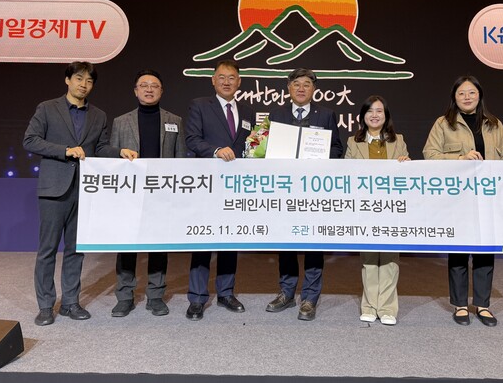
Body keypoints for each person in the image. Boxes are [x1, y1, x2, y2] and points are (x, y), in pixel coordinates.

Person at [422, 75, 503, 327]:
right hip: (458, 198)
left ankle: (482, 305)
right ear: (454, 97)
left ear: (479, 95)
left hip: (488, 198)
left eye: (471, 92)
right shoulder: (443, 123)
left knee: (485, 251)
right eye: (461, 93)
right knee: (459, 252)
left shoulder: (494, 124)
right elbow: (430, 154)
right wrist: (460, 158)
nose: (467, 97)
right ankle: (460, 305)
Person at [23, 61, 138, 326]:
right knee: (48, 250)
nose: (83, 85)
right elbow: (30, 140)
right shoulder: (47, 108)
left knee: (76, 250)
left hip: (85, 190)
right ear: (67, 80)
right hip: (54, 189)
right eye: (78, 78)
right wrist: (64, 151)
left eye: (89, 81)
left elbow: (101, 147)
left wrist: (119, 152)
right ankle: (45, 306)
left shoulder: (98, 115)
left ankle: (70, 302)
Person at [265, 68, 343, 321]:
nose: (301, 88)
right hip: (285, 189)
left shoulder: (327, 114)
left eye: (306, 84)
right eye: (296, 84)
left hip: (314, 190)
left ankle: (310, 297)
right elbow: (266, 148)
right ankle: (286, 292)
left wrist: (320, 159)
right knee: (286, 241)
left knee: (313, 243)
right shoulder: (276, 115)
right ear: (288, 88)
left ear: (314, 89)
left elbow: (337, 148)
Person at [109, 70, 186, 318]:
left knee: (158, 246)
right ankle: (124, 296)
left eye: (154, 85)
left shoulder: (175, 120)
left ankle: (155, 295)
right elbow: (112, 159)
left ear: (162, 91)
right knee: (126, 245)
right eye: (144, 85)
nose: (149, 89)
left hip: (162, 193)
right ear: (136, 91)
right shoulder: (121, 122)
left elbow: (181, 159)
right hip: (130, 193)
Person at [184, 59, 256, 320]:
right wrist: (215, 151)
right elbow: (192, 139)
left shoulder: (247, 111)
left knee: (229, 239)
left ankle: (226, 293)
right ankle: (197, 298)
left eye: (232, 77)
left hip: (236, 185)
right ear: (213, 80)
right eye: (222, 77)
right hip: (208, 182)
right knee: (203, 240)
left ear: (239, 82)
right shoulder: (200, 105)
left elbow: (251, 144)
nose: (227, 82)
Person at [344, 95, 410, 326]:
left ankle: (388, 308)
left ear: (386, 115)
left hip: (391, 208)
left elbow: (408, 173)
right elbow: (347, 172)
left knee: (390, 259)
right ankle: (370, 306)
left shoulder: (398, 140)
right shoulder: (353, 142)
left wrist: (406, 163)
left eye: (379, 111)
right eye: (370, 111)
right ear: (363, 116)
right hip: (366, 208)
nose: (374, 115)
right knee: (369, 259)